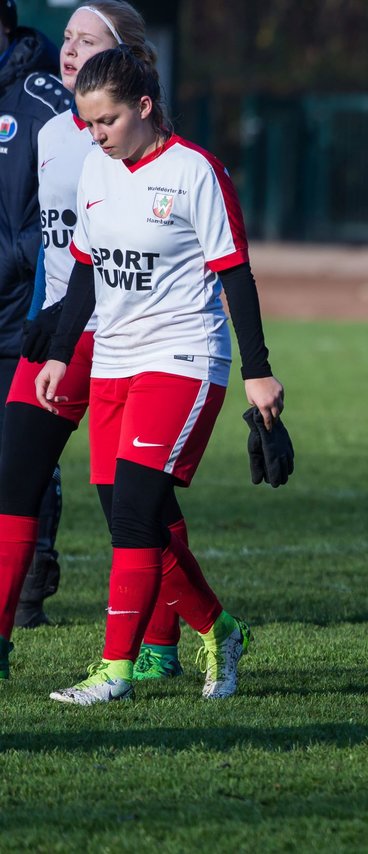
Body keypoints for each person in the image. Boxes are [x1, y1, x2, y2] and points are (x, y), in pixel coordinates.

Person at [33, 43, 283, 703]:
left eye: (108, 121)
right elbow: (86, 269)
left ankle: (115, 670)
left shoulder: (197, 172)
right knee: (130, 509)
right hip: (113, 359)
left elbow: (236, 272)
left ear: (144, 106)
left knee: (135, 513)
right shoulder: (95, 169)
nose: (96, 135)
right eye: (88, 124)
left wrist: (258, 372)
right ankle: (222, 630)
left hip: (183, 357)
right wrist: (61, 353)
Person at [0, 4, 191, 687]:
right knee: (12, 479)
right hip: (57, 339)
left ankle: (165, 643)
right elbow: (55, 244)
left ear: (124, 59)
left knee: (133, 509)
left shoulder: (150, 146)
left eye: (88, 40)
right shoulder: (52, 133)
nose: (70, 49)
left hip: (126, 344)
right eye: (69, 38)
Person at [0, 0, 69, 635]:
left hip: (22, 309)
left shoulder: (42, 99)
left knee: (20, 451)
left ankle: (28, 590)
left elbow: (66, 211)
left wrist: (13, 260)